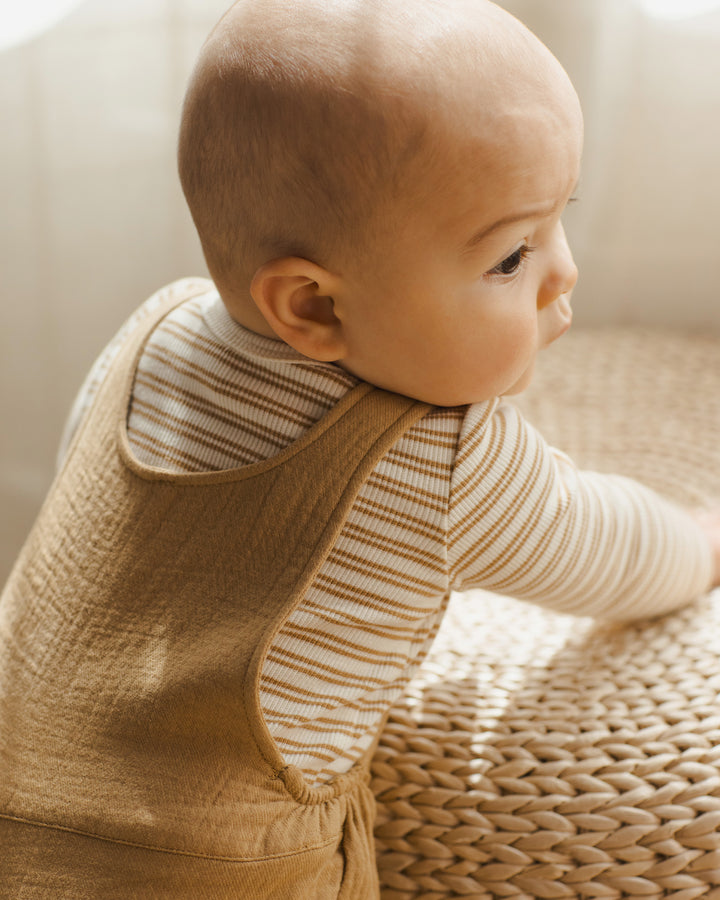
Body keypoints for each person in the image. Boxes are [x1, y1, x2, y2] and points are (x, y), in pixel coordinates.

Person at [1, 0, 719, 896]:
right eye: (511, 258)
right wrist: (698, 540)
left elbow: (99, 515)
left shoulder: (154, 332)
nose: (565, 272)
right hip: (215, 872)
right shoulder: (442, 463)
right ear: (313, 307)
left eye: (560, 217)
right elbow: (611, 550)